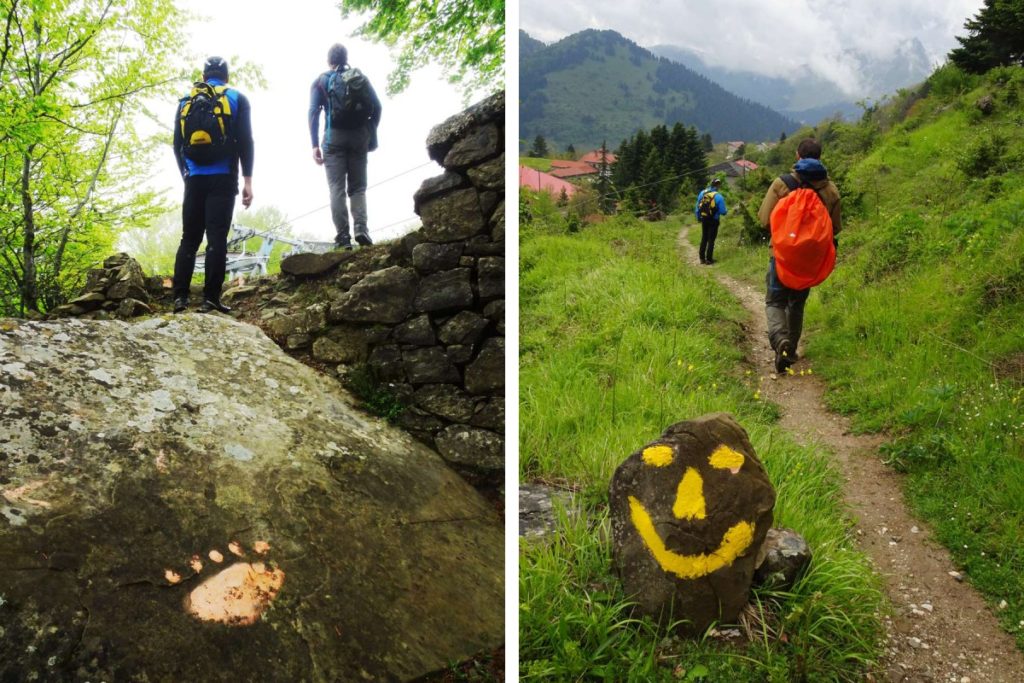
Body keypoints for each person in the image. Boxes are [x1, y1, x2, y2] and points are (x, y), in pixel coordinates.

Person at [171, 56, 254, 314]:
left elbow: (176, 144)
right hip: (223, 177)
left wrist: (186, 174)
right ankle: (210, 299)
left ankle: (180, 299)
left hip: (194, 178)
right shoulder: (236, 98)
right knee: (217, 238)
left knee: (189, 238)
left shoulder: (186, 101)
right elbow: (246, 141)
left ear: (204, 76)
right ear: (226, 76)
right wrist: (247, 180)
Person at [757, 138, 842, 373]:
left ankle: (779, 339)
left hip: (781, 255)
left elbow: (764, 219)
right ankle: (790, 348)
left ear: (797, 156)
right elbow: (835, 228)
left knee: (775, 300)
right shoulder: (830, 190)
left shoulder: (782, 184)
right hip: (809, 261)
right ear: (820, 157)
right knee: (796, 304)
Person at [308, 43, 382, 250]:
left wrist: (314, 144)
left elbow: (313, 113)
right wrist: (370, 131)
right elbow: (377, 107)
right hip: (359, 137)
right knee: (358, 187)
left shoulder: (322, 80)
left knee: (336, 188)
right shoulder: (359, 78)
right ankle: (361, 229)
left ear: (329, 60)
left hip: (333, 139)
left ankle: (343, 237)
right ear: (346, 58)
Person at [694, 178, 727, 264]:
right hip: (714, 220)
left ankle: (701, 258)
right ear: (718, 185)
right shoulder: (719, 196)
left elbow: (697, 207)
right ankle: (709, 259)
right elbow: (723, 212)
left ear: (710, 184)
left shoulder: (702, 193)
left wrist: (698, 217)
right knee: (711, 239)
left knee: (704, 237)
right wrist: (723, 212)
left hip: (704, 219)